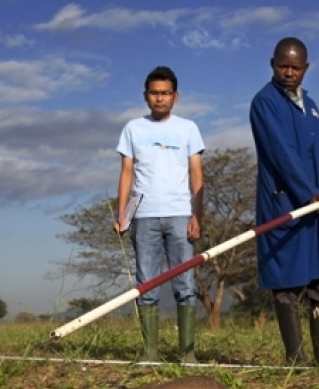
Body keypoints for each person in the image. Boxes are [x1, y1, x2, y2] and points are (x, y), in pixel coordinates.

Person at [248, 37, 319, 368]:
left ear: (306, 69)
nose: (288, 72)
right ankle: (295, 360)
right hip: (285, 202)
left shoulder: (311, 106)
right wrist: (305, 191)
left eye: (295, 67)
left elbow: (318, 156)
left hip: (317, 204)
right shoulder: (265, 102)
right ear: (272, 64)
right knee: (287, 281)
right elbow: (281, 154)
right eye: (283, 65)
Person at [114, 66, 205, 364]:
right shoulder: (132, 128)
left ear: (175, 96)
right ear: (146, 96)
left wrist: (197, 215)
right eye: (154, 93)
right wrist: (122, 215)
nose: (160, 98)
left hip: (180, 214)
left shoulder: (188, 128)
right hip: (144, 217)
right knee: (147, 284)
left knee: (185, 285)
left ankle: (187, 354)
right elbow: (127, 172)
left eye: (166, 93)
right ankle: (149, 353)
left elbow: (196, 173)